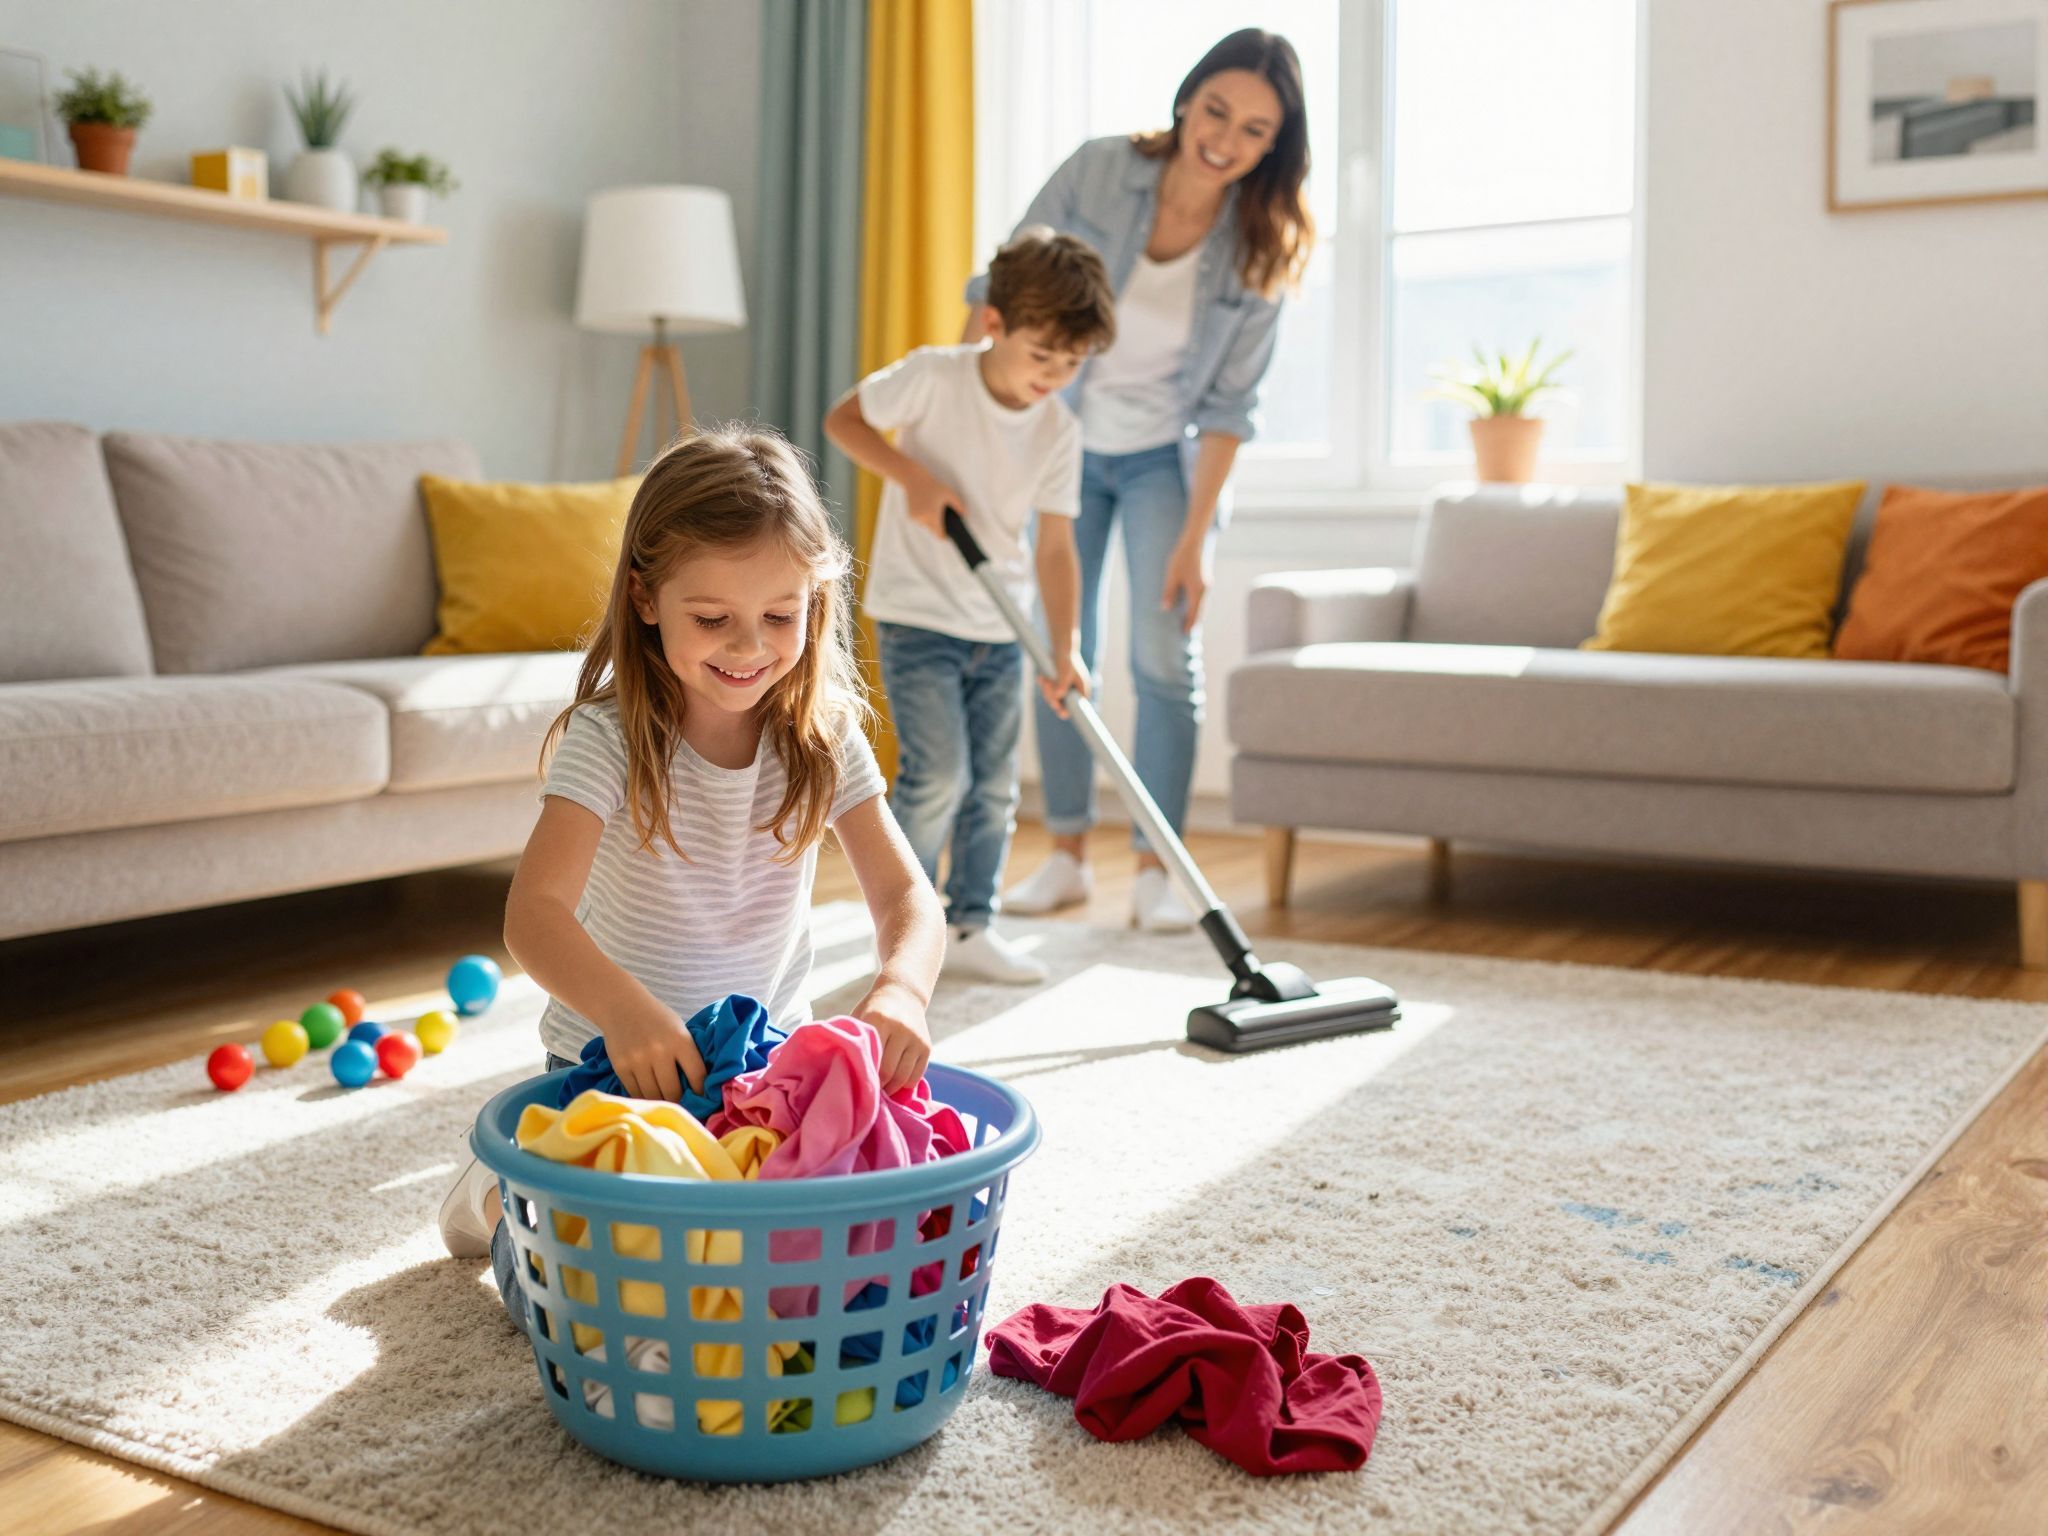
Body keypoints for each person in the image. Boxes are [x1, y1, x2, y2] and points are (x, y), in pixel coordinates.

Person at [437, 426, 945, 1277]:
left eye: (780, 616)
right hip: (615, 1067)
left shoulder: (824, 735)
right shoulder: (607, 739)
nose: (749, 648)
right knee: (614, 1288)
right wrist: (625, 1011)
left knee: (826, 1261)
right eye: (712, 619)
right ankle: (495, 1195)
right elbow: (535, 914)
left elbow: (906, 898)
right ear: (644, 598)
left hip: (768, 1069)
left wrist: (902, 989)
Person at [970, 28, 1315, 931]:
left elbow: (1234, 407)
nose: (1226, 139)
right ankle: (1070, 854)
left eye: (1253, 130)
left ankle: (1161, 865)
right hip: (1061, 441)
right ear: (1186, 100)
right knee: (1057, 646)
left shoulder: (1260, 247)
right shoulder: (1098, 172)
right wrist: (976, 429)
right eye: (1216, 111)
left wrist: (1198, 537)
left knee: (1164, 656)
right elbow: (999, 284)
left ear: (1273, 146)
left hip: (1166, 460)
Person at [825, 229, 1117, 983]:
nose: (1054, 376)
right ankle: (905, 928)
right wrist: (912, 477)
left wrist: (1066, 644)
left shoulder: (1059, 430)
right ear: (994, 323)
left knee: (992, 785)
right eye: (1041, 354)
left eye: (1073, 362)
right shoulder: (934, 377)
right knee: (939, 776)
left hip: (1002, 626)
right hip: (920, 615)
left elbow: (1056, 547)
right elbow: (844, 421)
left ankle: (969, 925)